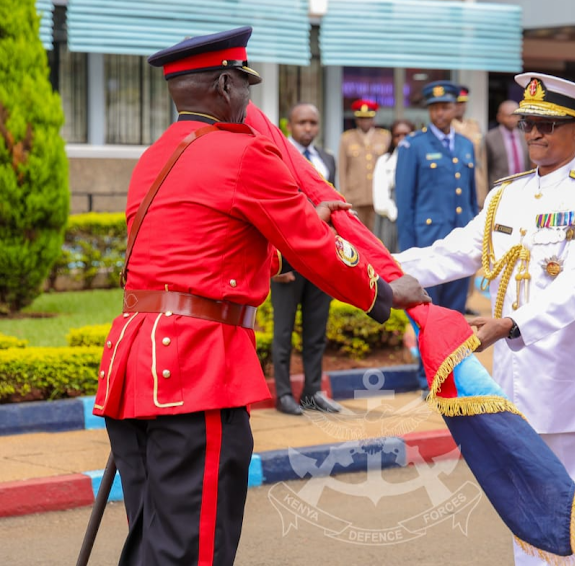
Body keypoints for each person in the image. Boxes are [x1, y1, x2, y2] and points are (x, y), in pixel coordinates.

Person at [92, 27, 429, 566]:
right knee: (194, 548)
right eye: (245, 85)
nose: (251, 101)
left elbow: (199, 251)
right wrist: (385, 292)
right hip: (194, 370)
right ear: (226, 85)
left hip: (134, 368)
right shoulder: (244, 155)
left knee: (152, 537)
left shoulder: (153, 157)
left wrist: (281, 245)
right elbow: (317, 249)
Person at [395, 72, 575, 565]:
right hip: (515, 384)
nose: (534, 134)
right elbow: (453, 253)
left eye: (548, 125)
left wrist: (510, 325)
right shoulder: (505, 195)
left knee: (574, 517)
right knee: (527, 515)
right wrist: (371, 265)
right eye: (529, 123)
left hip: (573, 384)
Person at [395, 80, 478, 389]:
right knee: (427, 315)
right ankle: (428, 377)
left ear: (456, 107)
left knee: (454, 314)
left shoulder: (467, 144)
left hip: (461, 245)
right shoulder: (413, 145)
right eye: (434, 108)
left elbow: (470, 199)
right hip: (426, 244)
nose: (440, 113)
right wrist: (406, 257)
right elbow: (405, 204)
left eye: (445, 106)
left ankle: (453, 373)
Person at [272, 103, 340, 415]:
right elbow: (271, 211)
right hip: (287, 260)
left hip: (321, 259)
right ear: (290, 125)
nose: (308, 128)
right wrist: (273, 260)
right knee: (284, 332)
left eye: (313, 122)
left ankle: (312, 393)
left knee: (316, 332)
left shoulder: (327, 160)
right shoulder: (276, 157)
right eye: (302, 122)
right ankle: (284, 394)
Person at [338, 99, 391, 230]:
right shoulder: (347, 138)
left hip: (378, 195)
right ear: (357, 120)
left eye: (368, 119)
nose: (365, 122)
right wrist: (344, 194)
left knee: (378, 234)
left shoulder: (384, 137)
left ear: (373, 119)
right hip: (355, 195)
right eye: (361, 118)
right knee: (357, 232)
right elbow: (342, 169)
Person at [372, 119, 415, 252]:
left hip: (415, 217)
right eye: (397, 135)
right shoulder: (384, 161)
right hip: (390, 218)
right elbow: (379, 195)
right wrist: (396, 214)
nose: (401, 139)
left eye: (406, 134)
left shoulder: (420, 159)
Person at [452, 85, 488, 206]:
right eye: (457, 103)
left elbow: (482, 159)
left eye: (463, 103)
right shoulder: (447, 128)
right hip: (456, 185)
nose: (460, 107)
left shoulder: (474, 125)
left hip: (477, 184)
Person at [485, 99, 531, 186]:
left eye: (515, 116)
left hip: (522, 186)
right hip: (499, 189)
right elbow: (485, 167)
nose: (512, 119)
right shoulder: (490, 138)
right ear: (499, 117)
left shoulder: (525, 136)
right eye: (508, 116)